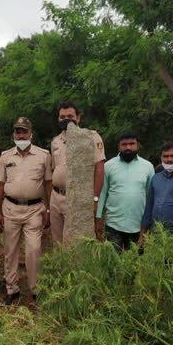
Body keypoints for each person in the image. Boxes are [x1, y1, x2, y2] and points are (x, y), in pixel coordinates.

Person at [0, 117, 52, 305]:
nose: (21, 135)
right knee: (10, 251)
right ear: (14, 134)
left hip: (34, 209)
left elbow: (48, 183)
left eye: (24, 132)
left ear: (31, 134)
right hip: (10, 208)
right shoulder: (5, 156)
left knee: (33, 250)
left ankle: (36, 290)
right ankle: (12, 289)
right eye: (17, 131)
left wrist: (49, 209)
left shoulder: (43, 155)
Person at [49, 101, 105, 243]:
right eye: (62, 117)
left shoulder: (90, 137)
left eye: (70, 116)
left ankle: (74, 266)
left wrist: (95, 199)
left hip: (77, 199)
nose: (66, 119)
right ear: (58, 119)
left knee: (75, 242)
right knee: (57, 241)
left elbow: (99, 170)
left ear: (78, 118)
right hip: (56, 197)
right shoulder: (55, 141)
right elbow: (55, 168)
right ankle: (61, 266)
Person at [96, 132, 155, 251]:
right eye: (124, 144)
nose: (128, 147)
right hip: (113, 224)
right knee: (113, 262)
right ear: (118, 146)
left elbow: (152, 197)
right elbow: (102, 194)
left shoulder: (148, 166)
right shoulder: (108, 166)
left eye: (131, 144)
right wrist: (97, 218)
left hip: (139, 225)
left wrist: (150, 222)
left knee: (135, 263)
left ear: (137, 145)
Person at [140, 141, 173, 239]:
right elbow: (149, 207)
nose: (169, 159)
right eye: (166, 156)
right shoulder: (156, 178)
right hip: (155, 232)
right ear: (161, 158)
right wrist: (142, 236)